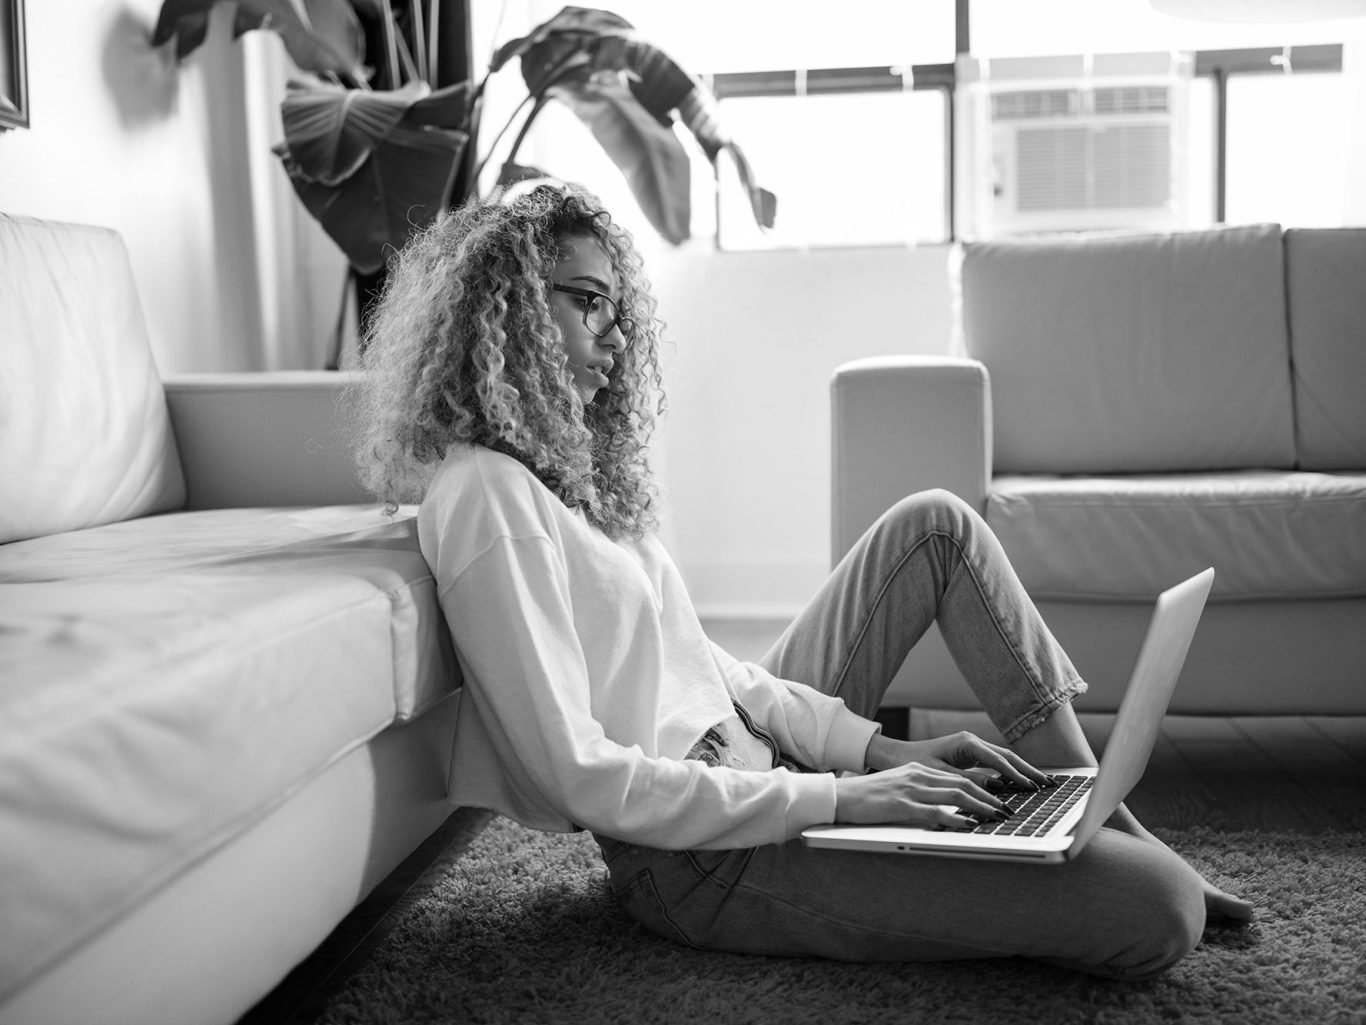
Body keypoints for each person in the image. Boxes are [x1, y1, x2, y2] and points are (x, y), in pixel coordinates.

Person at [349, 183, 1251, 979]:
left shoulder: (569, 479)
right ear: (507, 309)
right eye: (588, 302)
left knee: (935, 525)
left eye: (618, 310)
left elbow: (705, 668)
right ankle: (1112, 844)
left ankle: (1100, 812)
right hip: (699, 858)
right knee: (1160, 907)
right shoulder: (486, 495)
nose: (615, 336)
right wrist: (841, 798)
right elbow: (578, 775)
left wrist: (874, 751)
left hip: (756, 760)